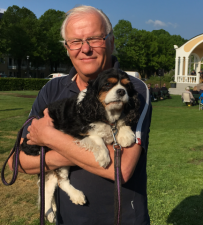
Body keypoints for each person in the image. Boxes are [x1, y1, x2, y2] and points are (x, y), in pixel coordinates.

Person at [8, 5, 152, 225]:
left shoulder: (132, 90)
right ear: (67, 48)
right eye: (75, 41)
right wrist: (75, 151)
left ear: (111, 42)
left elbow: (120, 169)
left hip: (120, 218)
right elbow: (17, 162)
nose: (85, 49)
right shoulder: (51, 90)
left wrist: (51, 139)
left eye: (94, 39)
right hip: (66, 219)